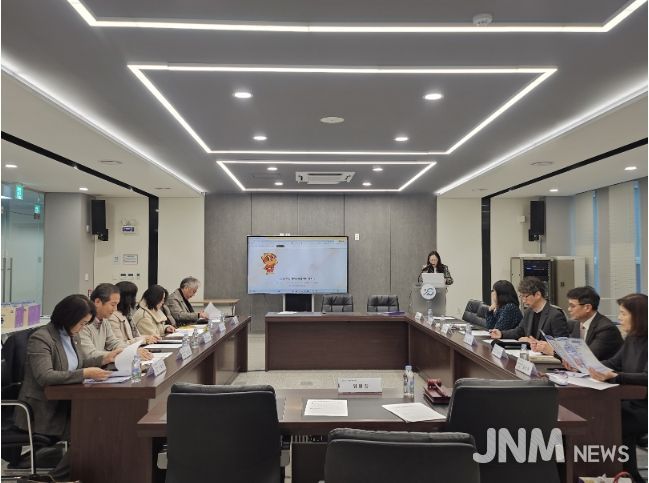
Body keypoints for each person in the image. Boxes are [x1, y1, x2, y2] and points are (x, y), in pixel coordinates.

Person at [15, 295, 119, 479]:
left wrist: (105, 358)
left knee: (103, 423)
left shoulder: (72, 335)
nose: (83, 328)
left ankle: (62, 476)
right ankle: (55, 478)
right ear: (68, 318)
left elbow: (78, 363)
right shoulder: (41, 338)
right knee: (92, 430)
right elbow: (45, 376)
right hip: (43, 410)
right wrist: (85, 373)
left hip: (66, 403)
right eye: (81, 323)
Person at [588, 293, 647, 483]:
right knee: (599, 414)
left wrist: (615, 376)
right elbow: (614, 363)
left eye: (623, 313)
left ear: (638, 316)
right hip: (629, 401)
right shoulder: (631, 338)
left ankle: (628, 475)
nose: (619, 318)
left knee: (610, 421)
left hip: (643, 406)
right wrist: (588, 367)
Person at [532, 286, 623, 360]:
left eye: (572, 306)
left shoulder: (606, 329)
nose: (569, 309)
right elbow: (572, 350)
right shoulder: (577, 324)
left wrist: (553, 351)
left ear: (587, 307)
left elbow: (588, 358)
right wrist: (544, 346)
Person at [79, 283, 152, 361]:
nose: (115, 309)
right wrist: (128, 353)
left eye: (117, 305)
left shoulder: (104, 321)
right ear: (97, 302)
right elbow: (90, 354)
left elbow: (113, 342)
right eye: (113, 305)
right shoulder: (82, 324)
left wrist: (131, 350)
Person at [490, 276, 569, 342]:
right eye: (521, 296)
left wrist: (533, 342)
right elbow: (519, 331)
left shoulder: (555, 315)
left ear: (538, 295)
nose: (523, 300)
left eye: (526, 296)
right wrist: (501, 334)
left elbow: (562, 344)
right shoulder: (529, 312)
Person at [108, 281, 159, 345]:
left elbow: (134, 336)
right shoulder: (112, 317)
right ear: (127, 298)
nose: (135, 299)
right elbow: (119, 344)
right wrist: (144, 340)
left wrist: (148, 337)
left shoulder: (126, 314)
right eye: (134, 296)